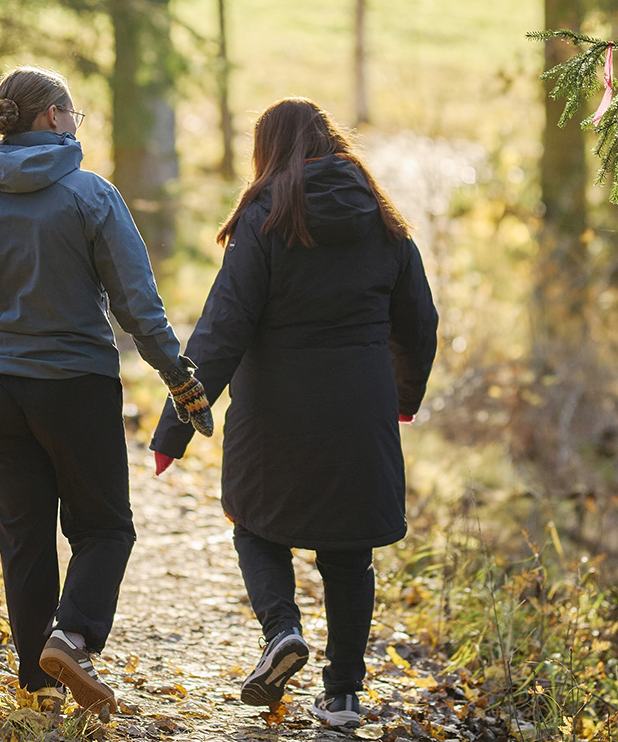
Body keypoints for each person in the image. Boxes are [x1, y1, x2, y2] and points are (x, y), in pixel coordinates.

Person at [149, 97, 438, 729]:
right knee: (348, 552)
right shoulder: (384, 219)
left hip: (274, 410)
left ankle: (282, 632)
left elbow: (223, 325)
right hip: (361, 410)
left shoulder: (264, 217)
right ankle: (343, 694)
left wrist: (176, 428)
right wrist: (403, 400)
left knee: (255, 525)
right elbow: (419, 323)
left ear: (269, 152)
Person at [0, 66, 215, 714]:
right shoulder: (92, 196)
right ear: (49, 119)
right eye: (72, 112)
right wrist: (177, 374)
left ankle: (38, 693)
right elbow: (137, 304)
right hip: (76, 385)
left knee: (25, 538)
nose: (74, 121)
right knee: (104, 529)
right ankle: (73, 634)